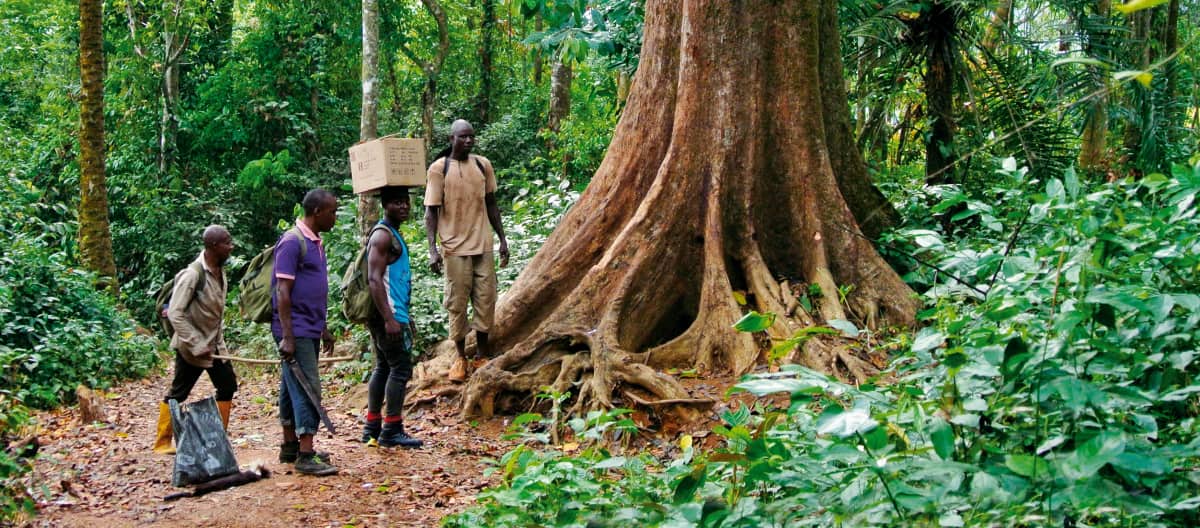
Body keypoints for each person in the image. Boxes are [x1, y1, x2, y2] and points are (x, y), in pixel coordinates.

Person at [424, 119, 509, 381]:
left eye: (472, 136)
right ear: (451, 139)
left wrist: (503, 240)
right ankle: (460, 357)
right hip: (454, 247)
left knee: (486, 299)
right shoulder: (440, 169)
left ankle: (482, 355)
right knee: (457, 302)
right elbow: (431, 210)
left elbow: (492, 204)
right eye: (463, 137)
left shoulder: (483, 165)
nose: (469, 141)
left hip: (482, 244)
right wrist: (432, 249)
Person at [153, 225, 237, 455]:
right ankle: (162, 441)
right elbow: (175, 313)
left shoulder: (219, 270)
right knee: (179, 392)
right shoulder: (193, 275)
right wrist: (196, 343)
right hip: (191, 347)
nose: (231, 247)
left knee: (227, 386)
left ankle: (218, 437)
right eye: (227, 243)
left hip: (215, 345)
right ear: (213, 246)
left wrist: (212, 343)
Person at [273, 189, 339, 476]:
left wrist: (323, 328)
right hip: (295, 329)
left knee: (290, 386)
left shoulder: (316, 243)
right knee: (308, 386)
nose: (335, 217)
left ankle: (289, 447)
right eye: (332, 212)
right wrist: (288, 336)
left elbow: (312, 290)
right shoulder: (292, 242)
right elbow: (283, 292)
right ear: (316, 213)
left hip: (309, 327)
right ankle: (306, 453)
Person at [361, 186, 423, 448]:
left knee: (384, 367)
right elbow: (374, 280)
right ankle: (391, 429)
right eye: (397, 203)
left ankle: (372, 427)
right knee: (400, 369)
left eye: (406, 202)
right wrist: (390, 318)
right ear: (385, 205)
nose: (404, 207)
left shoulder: (392, 234)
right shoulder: (382, 237)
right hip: (387, 313)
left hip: (391, 312)